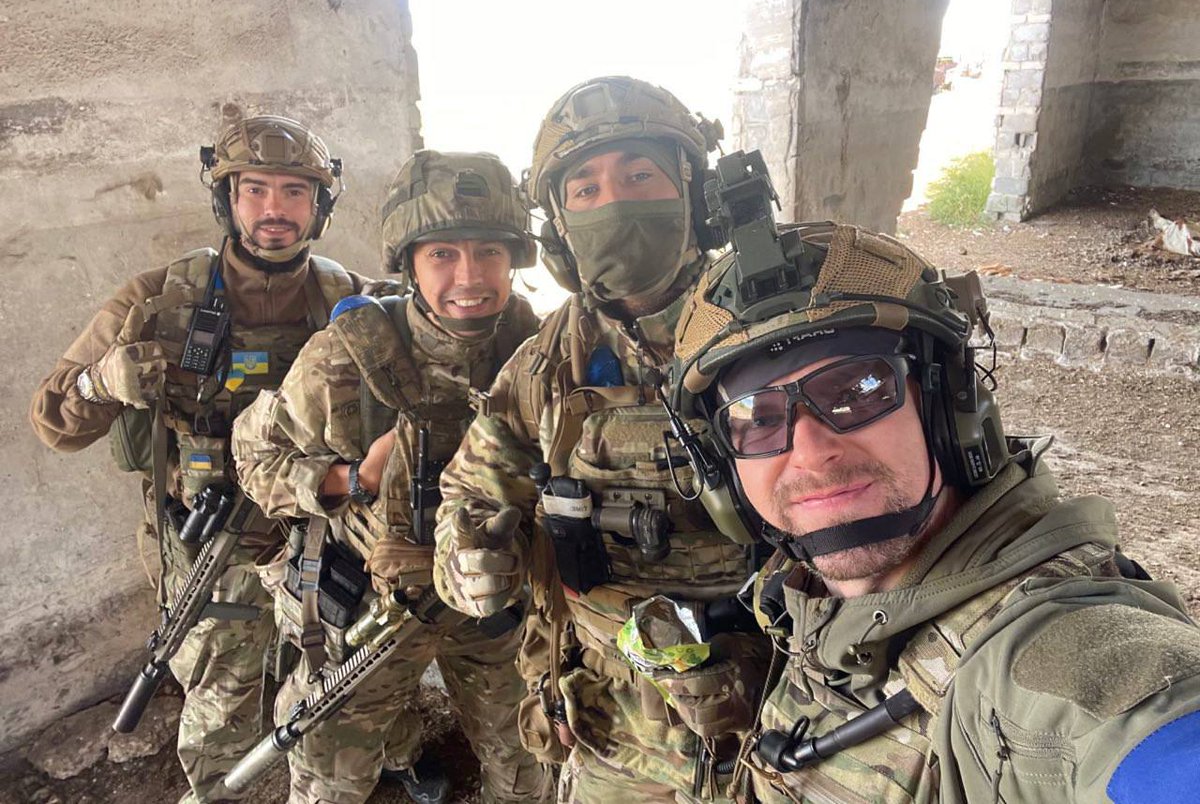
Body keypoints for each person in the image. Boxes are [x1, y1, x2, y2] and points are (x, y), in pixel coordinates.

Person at [665, 154, 1200, 803]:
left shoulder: (1052, 657)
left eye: (856, 391)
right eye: (759, 419)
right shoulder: (802, 595)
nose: (810, 452)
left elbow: (1147, 737)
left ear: (951, 411)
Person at [432, 77, 772, 803]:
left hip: (779, 705)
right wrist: (469, 558)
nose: (614, 203)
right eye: (585, 190)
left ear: (695, 193)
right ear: (558, 227)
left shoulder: (776, 327)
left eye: (640, 176)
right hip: (614, 723)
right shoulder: (547, 365)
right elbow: (471, 492)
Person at [30, 115, 371, 803]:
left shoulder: (351, 301)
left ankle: (387, 756)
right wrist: (102, 382)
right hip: (212, 546)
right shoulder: (158, 300)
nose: (275, 209)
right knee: (220, 705)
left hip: (322, 532)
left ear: (319, 207)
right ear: (227, 199)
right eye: (255, 190)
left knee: (348, 680)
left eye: (295, 191)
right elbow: (54, 422)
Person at [231, 150, 550, 804]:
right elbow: (254, 462)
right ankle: (397, 756)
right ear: (408, 262)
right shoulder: (346, 357)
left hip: (491, 603)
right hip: (374, 612)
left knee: (527, 761)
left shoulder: (534, 348)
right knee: (330, 777)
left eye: (490, 252)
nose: (470, 276)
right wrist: (350, 478)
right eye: (443, 254)